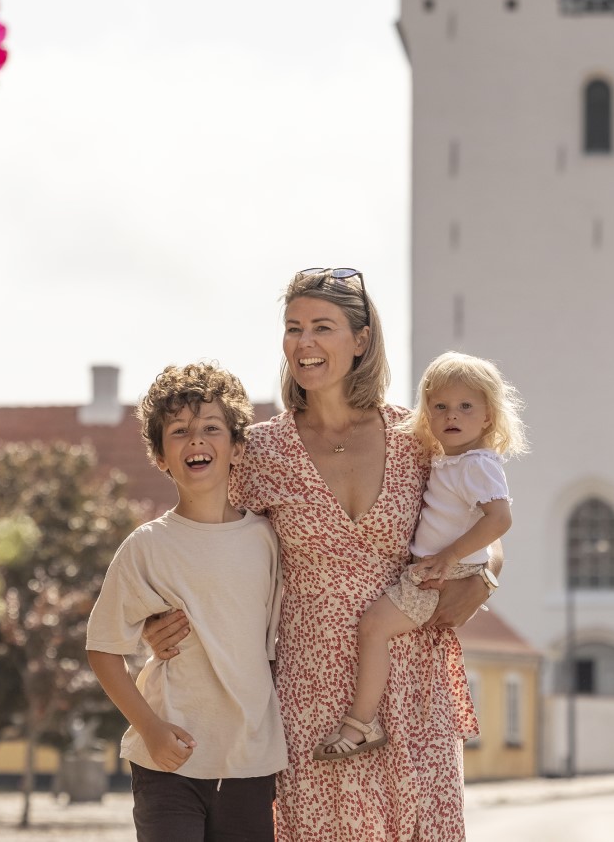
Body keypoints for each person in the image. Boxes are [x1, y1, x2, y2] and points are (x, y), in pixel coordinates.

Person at [145, 268, 500, 841]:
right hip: (310, 690)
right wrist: (157, 618)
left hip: (416, 683)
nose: (304, 343)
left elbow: (484, 524)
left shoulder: (418, 437)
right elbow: (203, 539)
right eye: (293, 328)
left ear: (360, 340)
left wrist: (484, 582)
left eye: (322, 327)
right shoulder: (259, 450)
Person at [86, 362, 287, 842]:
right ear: (160, 456)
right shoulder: (146, 547)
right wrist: (151, 728)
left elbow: (273, 644)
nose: (196, 440)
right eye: (179, 432)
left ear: (237, 448)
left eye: (211, 428)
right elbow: (103, 648)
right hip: (166, 761)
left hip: (250, 761)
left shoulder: (267, 539)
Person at [314, 351, 526, 760]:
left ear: (488, 417)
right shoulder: (452, 458)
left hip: (444, 572)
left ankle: (360, 724)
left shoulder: (476, 464)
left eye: (466, 406)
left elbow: (499, 520)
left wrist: (449, 558)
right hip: (442, 566)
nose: (452, 415)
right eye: (440, 406)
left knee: (374, 628)